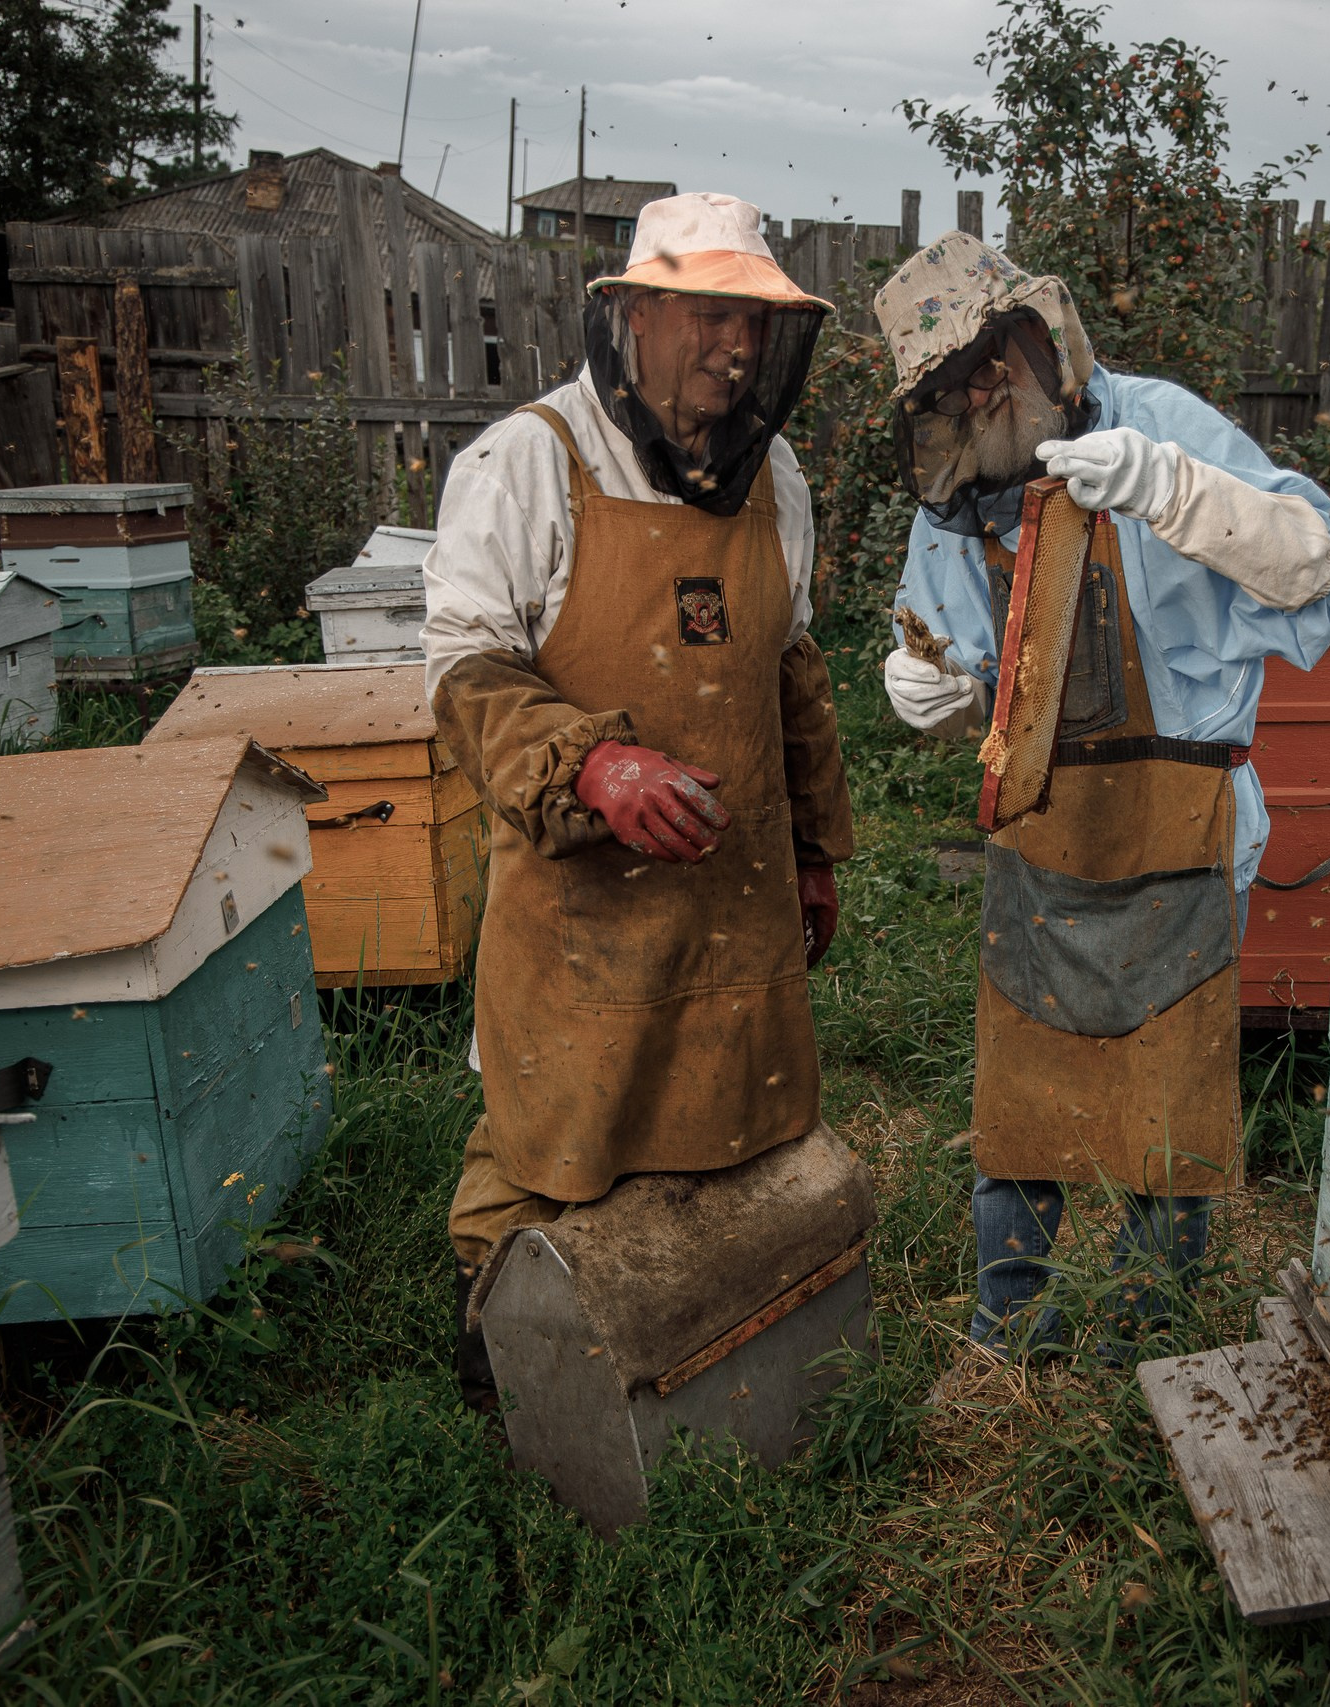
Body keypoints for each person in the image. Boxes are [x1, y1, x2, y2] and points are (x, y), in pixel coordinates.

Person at [874, 233, 1330, 1364]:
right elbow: (952, 658)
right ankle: (1012, 1332)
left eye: (991, 363)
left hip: (1182, 827)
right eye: (953, 384)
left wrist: (1172, 489)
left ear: (1039, 340)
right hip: (1042, 836)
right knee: (1020, 1100)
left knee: (1169, 1103)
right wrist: (930, 689)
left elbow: (1312, 562)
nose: (982, 394)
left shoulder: (1162, 426)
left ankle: (1153, 1345)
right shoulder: (952, 497)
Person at [422, 192, 853, 1414]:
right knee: (551, 1122)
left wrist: (816, 853)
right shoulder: (526, 462)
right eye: (713, 315)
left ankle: (703, 1346)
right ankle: (501, 1348)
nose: (736, 348)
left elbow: (792, 674)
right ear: (636, 314)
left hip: (739, 886)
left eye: (755, 325)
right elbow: (465, 672)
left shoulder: (782, 487)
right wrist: (593, 767)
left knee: (735, 1116)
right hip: (584, 901)